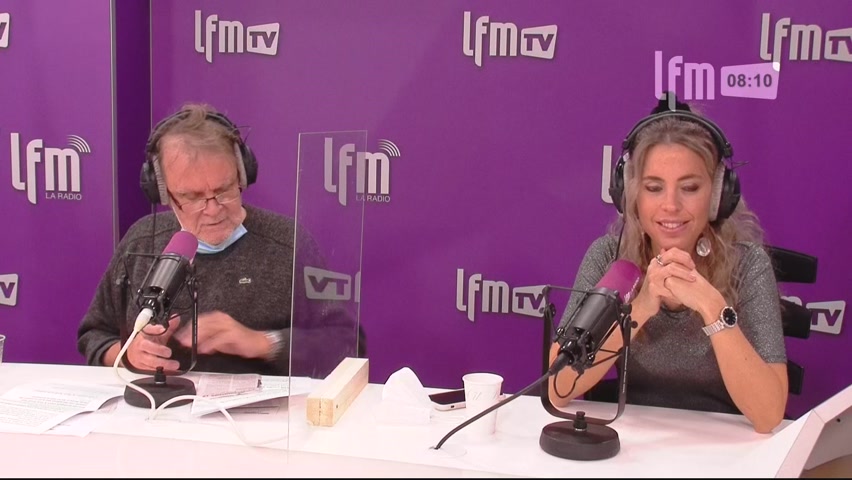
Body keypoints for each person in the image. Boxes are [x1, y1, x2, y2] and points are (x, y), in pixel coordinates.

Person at [548, 95, 788, 433]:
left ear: (717, 195)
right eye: (654, 188)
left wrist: (711, 306)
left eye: (689, 187)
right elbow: (558, 387)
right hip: (635, 442)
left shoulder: (747, 265)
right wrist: (641, 307)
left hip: (723, 443)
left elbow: (769, 415)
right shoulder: (609, 257)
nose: (671, 205)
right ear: (632, 194)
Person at [77, 103, 364, 378]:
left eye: (224, 190)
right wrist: (127, 355)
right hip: (156, 409)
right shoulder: (142, 241)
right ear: (162, 192)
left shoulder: (289, 244)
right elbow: (95, 334)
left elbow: (347, 345)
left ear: (243, 175)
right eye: (192, 197)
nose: (213, 210)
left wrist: (263, 343)